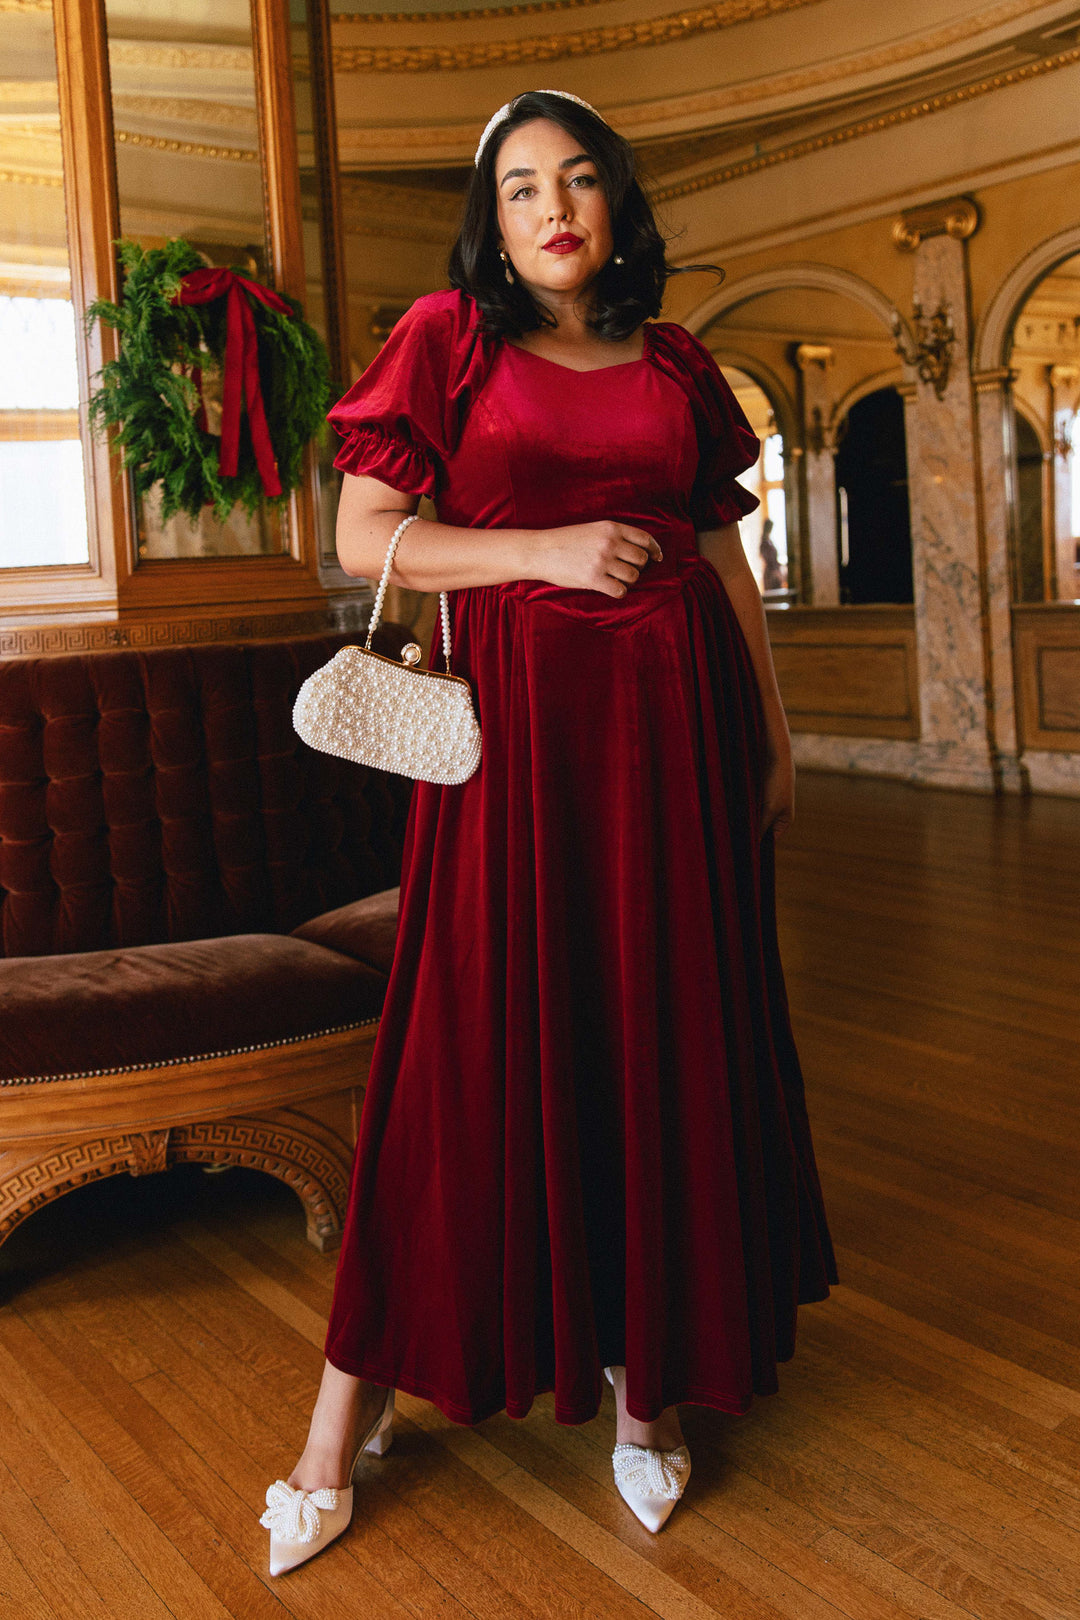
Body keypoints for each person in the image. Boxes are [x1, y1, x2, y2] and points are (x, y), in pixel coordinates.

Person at [259, 89, 838, 1575]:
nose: (553, 208)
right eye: (522, 189)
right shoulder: (446, 340)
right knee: (466, 1044)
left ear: (617, 203)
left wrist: (770, 739)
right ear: (493, 220)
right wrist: (544, 554)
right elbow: (366, 534)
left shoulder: (680, 362)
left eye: (579, 181)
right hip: (516, 751)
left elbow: (722, 555)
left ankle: (652, 1391)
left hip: (683, 743)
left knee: (668, 1033)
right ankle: (339, 1425)